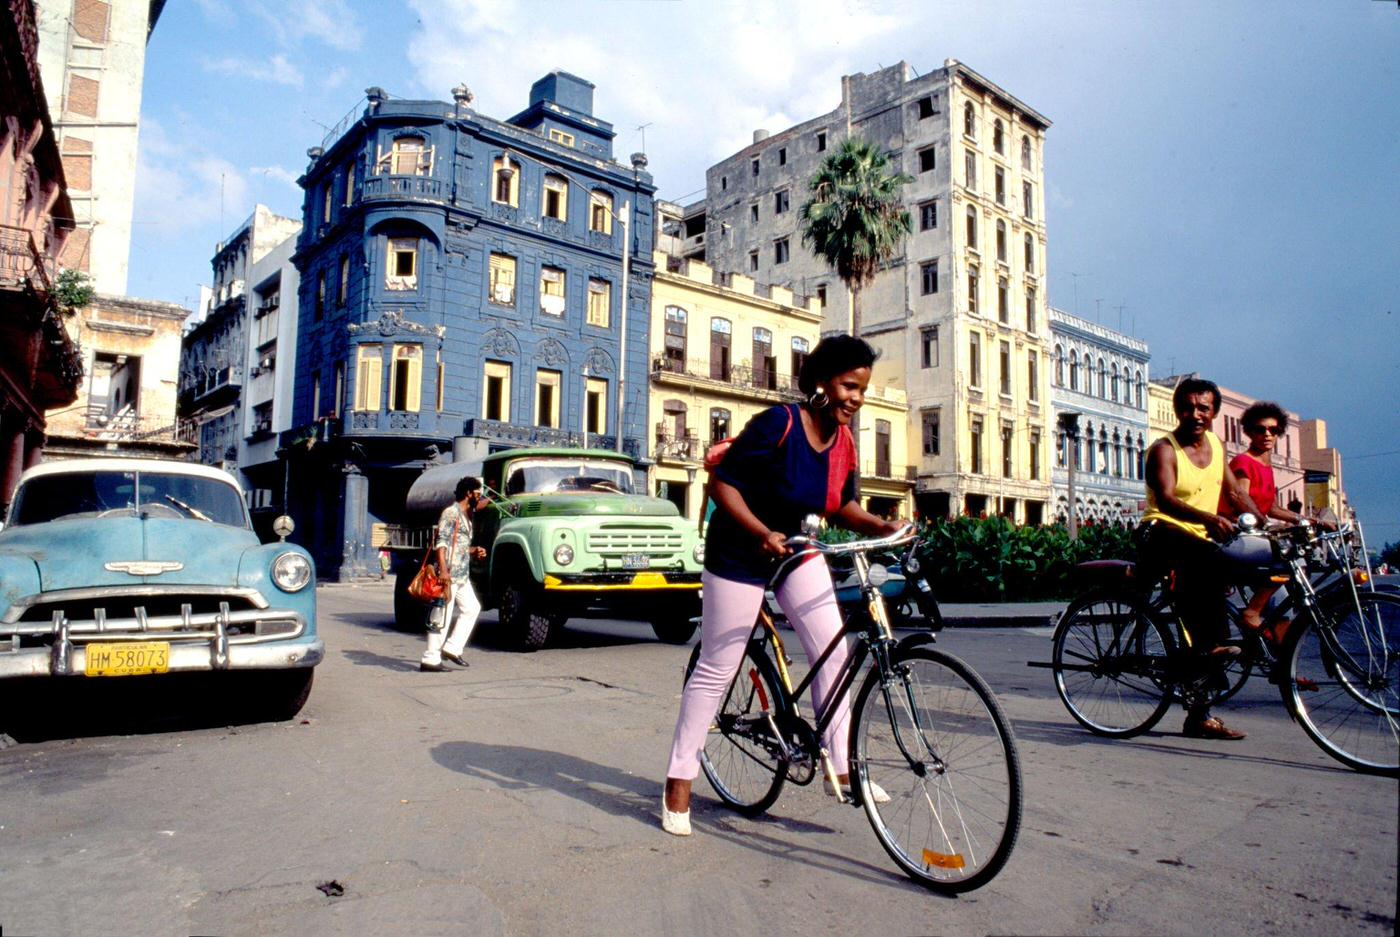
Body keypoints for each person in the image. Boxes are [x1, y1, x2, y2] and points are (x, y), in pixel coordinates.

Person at [661, 335, 903, 836]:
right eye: (848, 386)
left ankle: (841, 767)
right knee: (718, 665)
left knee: (832, 654)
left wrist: (880, 527)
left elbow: (841, 506)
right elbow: (722, 484)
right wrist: (760, 532)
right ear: (821, 383)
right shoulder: (779, 424)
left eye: (862, 389)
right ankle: (678, 781)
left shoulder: (843, 441)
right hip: (739, 549)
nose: (856, 398)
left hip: (795, 547)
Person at [1141, 377, 1258, 740]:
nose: (1195, 414)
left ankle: (1199, 714)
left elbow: (1236, 493)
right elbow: (1166, 499)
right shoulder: (1164, 449)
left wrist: (1262, 523)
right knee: (1206, 570)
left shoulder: (1216, 445)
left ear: (1214, 413)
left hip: (1200, 541)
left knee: (1246, 561)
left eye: (1203, 408)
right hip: (1162, 534)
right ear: (1177, 410)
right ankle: (1212, 647)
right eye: (1188, 407)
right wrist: (1210, 519)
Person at [1218, 402, 1321, 642]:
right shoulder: (1243, 463)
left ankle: (1286, 667)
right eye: (1260, 429)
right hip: (1235, 534)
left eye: (1273, 430)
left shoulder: (1267, 466)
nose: (1267, 434)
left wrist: (1306, 519)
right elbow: (1240, 502)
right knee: (1288, 554)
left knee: (1281, 603)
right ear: (1249, 432)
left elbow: (1271, 506)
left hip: (1256, 536)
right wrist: (1267, 525)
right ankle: (1252, 612)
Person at [420, 476, 487, 673]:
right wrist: (444, 571)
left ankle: (452, 648)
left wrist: (473, 550)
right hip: (448, 575)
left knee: (472, 608)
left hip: (460, 575)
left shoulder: (465, 514)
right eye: (477, 493)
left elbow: (458, 545)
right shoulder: (451, 513)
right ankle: (430, 659)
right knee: (441, 616)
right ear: (468, 493)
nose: (479, 497)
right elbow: (441, 543)